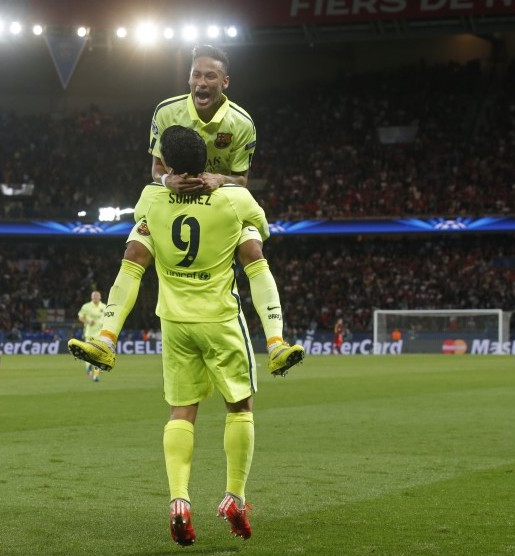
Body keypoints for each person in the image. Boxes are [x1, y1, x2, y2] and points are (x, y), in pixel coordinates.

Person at [71, 126, 302, 546]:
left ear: (171, 166)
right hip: (220, 320)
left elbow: (134, 260)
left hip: (174, 323)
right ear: (207, 164)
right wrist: (227, 189)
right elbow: (261, 233)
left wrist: (163, 182)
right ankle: (235, 496)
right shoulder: (236, 200)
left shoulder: (151, 199)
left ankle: (179, 500)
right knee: (240, 406)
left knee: (181, 411)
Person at [72, 45, 302, 377]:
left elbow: (242, 178)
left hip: (221, 198)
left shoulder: (241, 123)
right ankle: (106, 341)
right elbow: (155, 168)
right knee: (135, 250)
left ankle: (277, 344)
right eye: (196, 74)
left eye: (210, 75)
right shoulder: (166, 112)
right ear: (189, 78)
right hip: (174, 196)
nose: (202, 82)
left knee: (253, 250)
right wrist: (167, 180)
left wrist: (218, 178)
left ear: (225, 81)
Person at [76, 291, 107, 382]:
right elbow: (80, 317)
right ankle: (89, 367)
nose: (95, 297)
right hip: (89, 333)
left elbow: (108, 318)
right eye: (94, 296)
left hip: (100, 334)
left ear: (100, 297)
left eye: (97, 296)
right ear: (91, 297)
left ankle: (95, 376)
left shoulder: (104, 307)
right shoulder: (86, 306)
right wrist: (88, 322)